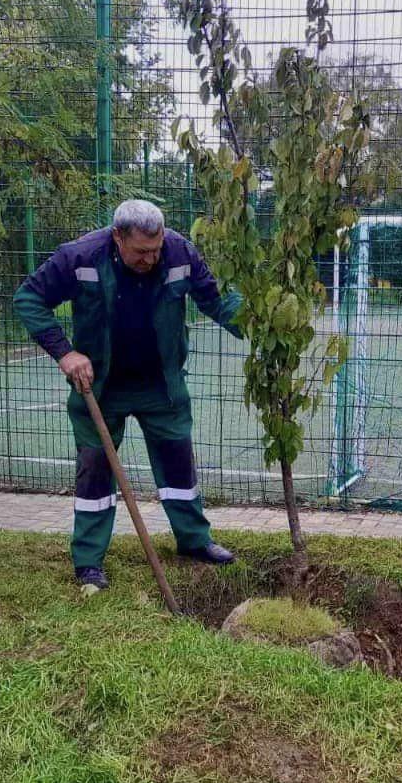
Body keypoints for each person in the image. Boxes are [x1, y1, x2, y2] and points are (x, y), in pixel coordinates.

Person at [13, 199, 242, 592]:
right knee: (96, 472)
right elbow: (28, 299)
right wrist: (65, 353)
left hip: (161, 386)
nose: (151, 259)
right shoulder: (80, 256)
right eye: (141, 251)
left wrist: (261, 324)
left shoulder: (179, 252)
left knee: (178, 467)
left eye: (155, 250)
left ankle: (194, 541)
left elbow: (215, 300)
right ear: (117, 236)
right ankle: (88, 563)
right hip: (100, 388)